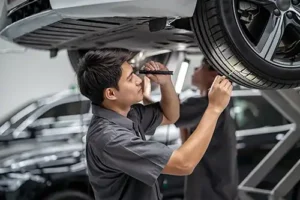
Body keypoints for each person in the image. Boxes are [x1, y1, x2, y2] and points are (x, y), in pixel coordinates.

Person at [76, 48, 233, 200]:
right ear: (110, 93)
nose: (139, 80)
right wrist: (214, 108)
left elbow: (170, 115)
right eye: (130, 78)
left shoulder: (129, 114)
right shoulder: (110, 138)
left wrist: (166, 84)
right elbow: (184, 164)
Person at [174, 58, 238, 200]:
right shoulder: (221, 105)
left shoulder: (204, 105)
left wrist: (161, 86)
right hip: (219, 191)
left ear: (213, 74)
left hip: (210, 191)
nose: (194, 72)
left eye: (198, 67)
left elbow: (167, 115)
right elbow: (187, 143)